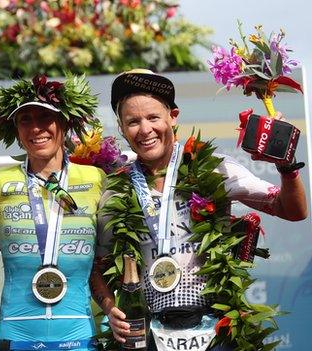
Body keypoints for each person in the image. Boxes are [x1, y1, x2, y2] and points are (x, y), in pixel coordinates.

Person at [89, 69, 308, 351]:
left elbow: (292, 210)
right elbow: (97, 265)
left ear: (173, 116)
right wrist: (109, 307)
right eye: (133, 121)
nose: (145, 130)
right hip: (149, 335)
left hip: (214, 329)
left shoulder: (214, 167)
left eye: (153, 117)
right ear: (120, 127)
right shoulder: (115, 191)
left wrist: (287, 167)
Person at [0, 74, 107, 350]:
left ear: (65, 123)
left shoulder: (96, 178)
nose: (36, 128)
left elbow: (110, 255)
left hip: (79, 333)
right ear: (15, 129)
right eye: (26, 120)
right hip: (16, 333)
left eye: (45, 117)